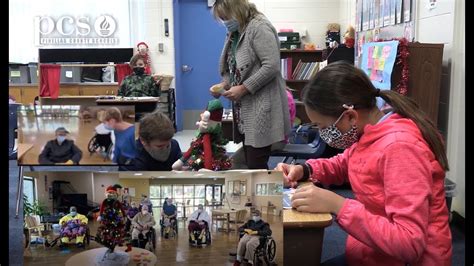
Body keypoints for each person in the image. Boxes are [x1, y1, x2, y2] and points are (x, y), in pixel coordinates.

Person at [276, 62, 452, 265]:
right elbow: (346, 163)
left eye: (324, 126)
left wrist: (338, 205)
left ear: (350, 116)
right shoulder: (368, 133)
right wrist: (304, 170)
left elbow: (409, 243)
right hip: (373, 252)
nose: (324, 133)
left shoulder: (400, 148)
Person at [210, 0, 291, 169]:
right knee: (250, 163)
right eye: (222, 18)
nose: (225, 21)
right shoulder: (236, 31)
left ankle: (264, 196)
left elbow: (272, 66)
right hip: (245, 110)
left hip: (261, 107)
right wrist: (225, 84)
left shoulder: (259, 27)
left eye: (226, 16)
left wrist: (244, 88)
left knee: (256, 166)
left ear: (237, 9)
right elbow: (233, 66)